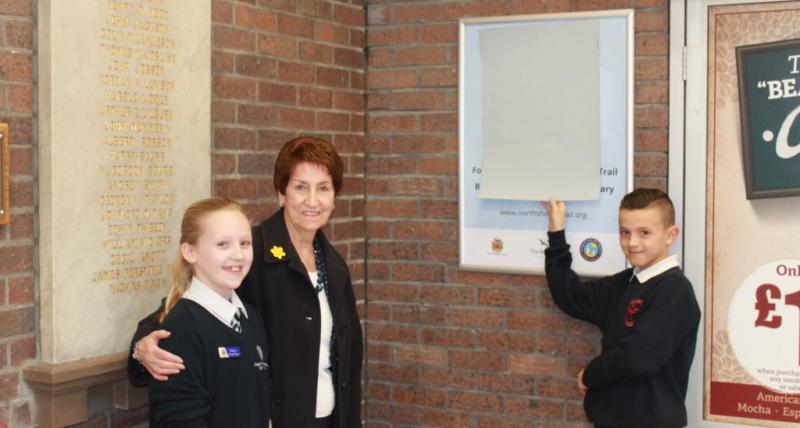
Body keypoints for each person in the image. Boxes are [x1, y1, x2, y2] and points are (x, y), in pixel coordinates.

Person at [129, 136, 363, 428]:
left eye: (324, 188)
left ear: (334, 197)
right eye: (301, 187)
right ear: (281, 192)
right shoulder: (249, 254)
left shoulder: (334, 266)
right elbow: (183, 311)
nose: (312, 201)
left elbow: (348, 363)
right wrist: (141, 348)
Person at [541, 188, 700, 428]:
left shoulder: (675, 290)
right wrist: (556, 232)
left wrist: (590, 374)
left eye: (644, 233)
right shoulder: (625, 283)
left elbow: (637, 358)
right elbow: (569, 296)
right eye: (625, 232)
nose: (632, 242)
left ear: (670, 235)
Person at [146, 197, 270, 427]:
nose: (238, 255)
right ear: (190, 252)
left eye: (245, 243)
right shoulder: (182, 329)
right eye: (223, 244)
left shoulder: (249, 317)